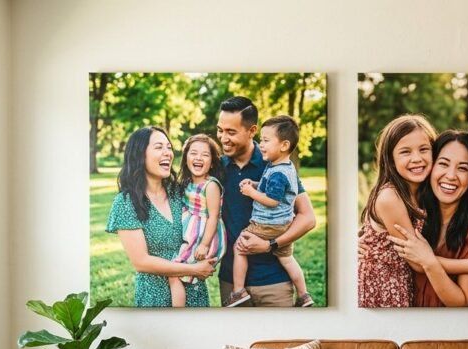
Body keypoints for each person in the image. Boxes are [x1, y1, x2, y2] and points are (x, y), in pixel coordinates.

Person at [216, 96, 317, 307]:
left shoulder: (275, 165)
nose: (223, 138)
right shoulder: (217, 168)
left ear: (252, 131)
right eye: (220, 130)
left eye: (231, 132)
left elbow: (308, 218)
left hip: (274, 282)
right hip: (231, 282)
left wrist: (270, 245)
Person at [106, 126, 216, 307]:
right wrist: (193, 269)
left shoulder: (180, 192)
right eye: (159, 147)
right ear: (140, 155)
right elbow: (141, 262)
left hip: (195, 293)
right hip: (155, 298)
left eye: (169, 147)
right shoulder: (126, 202)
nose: (168, 153)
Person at [388, 130, 468, 307]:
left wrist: (428, 261)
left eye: (462, 168)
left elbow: (461, 302)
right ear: (430, 167)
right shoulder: (413, 214)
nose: (451, 176)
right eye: (443, 164)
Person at [357, 115, 436, 307]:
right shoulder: (390, 198)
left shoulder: (425, 191)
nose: (417, 158)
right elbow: (418, 262)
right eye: (405, 152)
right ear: (390, 160)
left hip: (402, 283)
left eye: (424, 149)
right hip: (382, 287)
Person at [169, 134, 227, 307]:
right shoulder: (187, 182)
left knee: (174, 271)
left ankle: (178, 313)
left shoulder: (211, 185)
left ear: (212, 161)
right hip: (193, 231)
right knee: (180, 273)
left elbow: (213, 216)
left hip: (204, 235)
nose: (198, 158)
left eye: (205, 155)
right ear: (186, 157)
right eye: (193, 153)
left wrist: (204, 244)